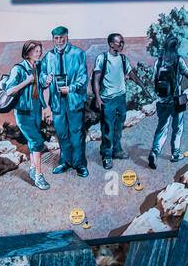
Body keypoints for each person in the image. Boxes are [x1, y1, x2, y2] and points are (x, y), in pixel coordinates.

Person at [147, 35, 188, 170]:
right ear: (176, 47)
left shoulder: (159, 61)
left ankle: (154, 152)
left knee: (161, 128)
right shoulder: (178, 60)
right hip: (176, 101)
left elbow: (154, 80)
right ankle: (175, 154)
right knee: (177, 128)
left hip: (162, 101)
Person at [40, 25, 89, 177]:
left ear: (67, 37)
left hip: (74, 100)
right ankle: (65, 162)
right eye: (56, 38)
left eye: (62, 38)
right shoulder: (48, 57)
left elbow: (83, 77)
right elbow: (41, 75)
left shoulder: (78, 53)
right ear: (53, 39)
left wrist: (71, 88)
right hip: (57, 102)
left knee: (76, 133)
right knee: (62, 133)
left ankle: (80, 164)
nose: (59, 41)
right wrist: (45, 79)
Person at [0, 40, 49, 190]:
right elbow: (9, 91)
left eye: (40, 51)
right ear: (27, 53)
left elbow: (39, 85)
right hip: (23, 112)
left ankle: (33, 169)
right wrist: (26, 82)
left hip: (36, 108)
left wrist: (46, 82)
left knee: (32, 141)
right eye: (36, 51)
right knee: (37, 141)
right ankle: (39, 176)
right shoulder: (18, 69)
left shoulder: (37, 66)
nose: (39, 53)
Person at [91, 32, 135, 170]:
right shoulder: (102, 58)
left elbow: (132, 74)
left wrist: (144, 88)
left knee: (119, 126)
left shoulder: (123, 59)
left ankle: (117, 150)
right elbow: (96, 79)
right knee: (108, 128)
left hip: (121, 98)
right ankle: (107, 155)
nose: (122, 44)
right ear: (111, 44)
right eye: (119, 42)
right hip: (107, 100)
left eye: (122, 42)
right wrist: (98, 98)